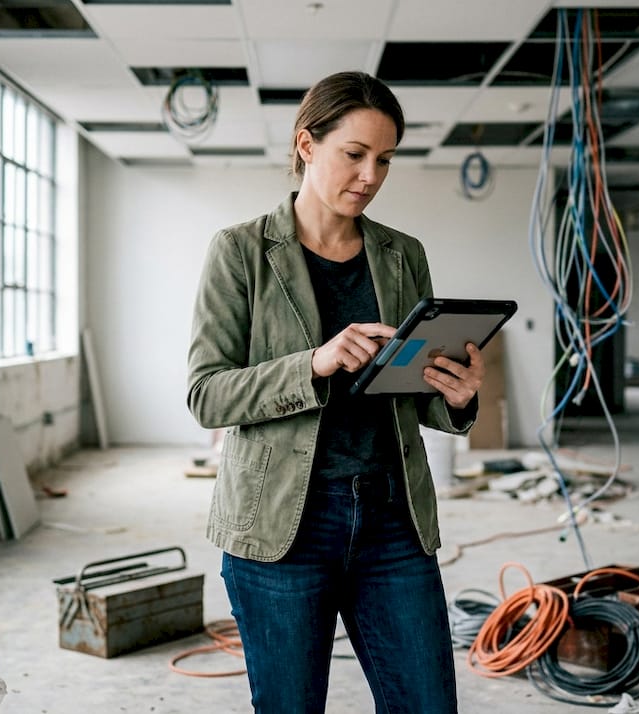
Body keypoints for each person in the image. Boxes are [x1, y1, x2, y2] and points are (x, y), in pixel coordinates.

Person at [186, 71, 484, 714]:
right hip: (281, 525)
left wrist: (456, 397)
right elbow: (207, 395)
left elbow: (414, 388)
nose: (371, 175)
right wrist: (314, 364)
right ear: (306, 145)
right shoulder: (240, 252)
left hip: (392, 517)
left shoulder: (403, 255)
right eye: (355, 154)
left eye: (385, 159)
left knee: (428, 704)